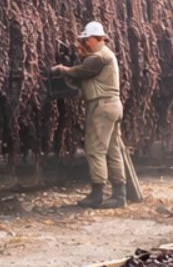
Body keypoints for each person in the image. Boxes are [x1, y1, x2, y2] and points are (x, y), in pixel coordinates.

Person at [51, 21, 126, 210]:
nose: (84, 43)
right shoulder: (106, 55)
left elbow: (81, 72)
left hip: (101, 106)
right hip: (113, 105)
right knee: (113, 149)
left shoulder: (99, 57)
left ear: (94, 38)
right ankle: (119, 194)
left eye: (86, 40)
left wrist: (62, 69)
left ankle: (97, 194)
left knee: (95, 150)